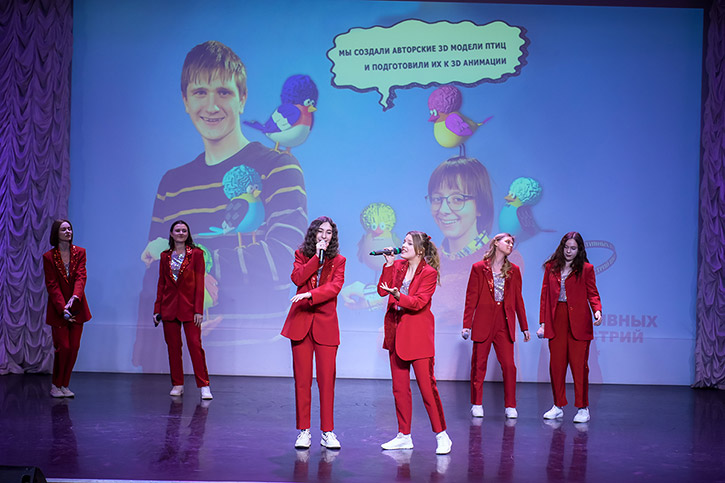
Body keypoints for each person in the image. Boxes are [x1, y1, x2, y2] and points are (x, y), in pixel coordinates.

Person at [134, 40, 307, 368]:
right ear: (185, 101)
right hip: (181, 358)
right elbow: (157, 266)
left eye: (223, 92)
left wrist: (196, 266)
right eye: (200, 92)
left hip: (257, 363)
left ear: (242, 99)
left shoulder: (278, 167)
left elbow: (284, 258)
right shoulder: (172, 184)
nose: (211, 105)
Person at [427, 156, 525, 326]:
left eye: (457, 199)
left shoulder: (505, 258)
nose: (443, 210)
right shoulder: (428, 260)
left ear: (480, 205)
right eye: (437, 199)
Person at [378, 231, 452, 455]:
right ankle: (404, 436)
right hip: (395, 334)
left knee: (427, 389)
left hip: (418, 337)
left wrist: (398, 296)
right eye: (403, 241)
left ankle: (442, 435)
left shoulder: (429, 273)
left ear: (420, 250)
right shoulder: (398, 266)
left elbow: (419, 302)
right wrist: (388, 265)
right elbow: (382, 290)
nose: (403, 245)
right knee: (399, 389)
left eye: (409, 243)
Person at [281, 216, 345, 450]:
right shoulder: (301, 255)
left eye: (329, 232)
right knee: (302, 381)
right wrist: (316, 259)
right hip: (301, 323)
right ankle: (304, 431)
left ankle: (327, 431)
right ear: (313, 234)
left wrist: (310, 295)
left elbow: (335, 287)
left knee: (327, 382)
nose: (324, 236)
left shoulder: (339, 260)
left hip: (326, 325)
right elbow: (297, 278)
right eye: (320, 231)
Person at [461, 233, 530, 419]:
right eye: (507, 241)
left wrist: (524, 326)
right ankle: (477, 403)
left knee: (509, 366)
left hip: (504, 322)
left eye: (512, 243)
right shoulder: (478, 268)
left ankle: (510, 405)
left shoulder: (514, 270)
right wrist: (466, 324)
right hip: (483, 321)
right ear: (496, 243)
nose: (510, 245)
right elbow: (471, 297)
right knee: (479, 365)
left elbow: (518, 299)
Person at [537, 232, 602, 423]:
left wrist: (597, 310)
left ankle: (583, 408)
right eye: (566, 247)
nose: (569, 251)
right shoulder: (551, 267)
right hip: (557, 319)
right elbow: (544, 296)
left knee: (579, 367)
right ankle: (558, 405)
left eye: (573, 248)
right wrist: (543, 323)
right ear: (562, 247)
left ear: (579, 249)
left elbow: (593, 293)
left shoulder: (586, 269)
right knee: (556, 366)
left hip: (579, 321)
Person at [154, 220, 212, 399]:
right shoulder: (165, 256)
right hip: (169, 307)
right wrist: (157, 309)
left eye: (184, 230)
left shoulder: (196, 254)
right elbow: (162, 283)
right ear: (171, 233)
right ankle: (177, 384)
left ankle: (204, 385)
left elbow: (200, 283)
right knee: (173, 348)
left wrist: (198, 310)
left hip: (190, 308)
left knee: (195, 346)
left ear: (188, 234)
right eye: (177, 230)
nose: (181, 233)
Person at [43, 220, 92, 398]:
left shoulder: (80, 252)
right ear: (56, 233)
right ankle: (56, 385)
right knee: (63, 347)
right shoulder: (49, 257)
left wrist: (75, 297)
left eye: (70, 228)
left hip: (77, 307)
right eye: (64, 229)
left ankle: (65, 384)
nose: (68, 232)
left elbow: (81, 277)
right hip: (59, 309)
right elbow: (52, 284)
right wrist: (63, 307)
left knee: (74, 348)